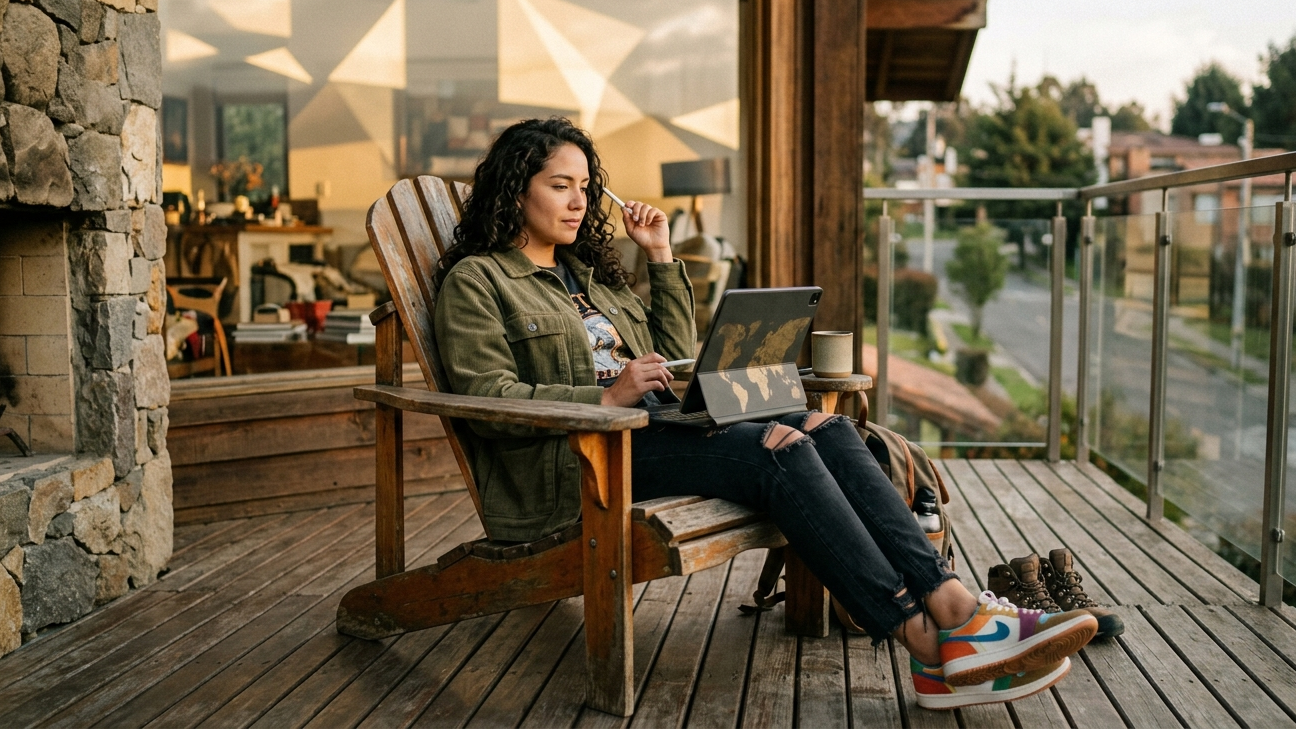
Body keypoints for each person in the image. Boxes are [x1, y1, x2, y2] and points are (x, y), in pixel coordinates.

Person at [432, 117, 1097, 710]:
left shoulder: (590, 277)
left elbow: (675, 352)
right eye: (559, 185)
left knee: (826, 426)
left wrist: (660, 255)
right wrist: (604, 399)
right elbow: (486, 398)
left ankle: (955, 607)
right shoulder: (478, 282)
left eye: (585, 185)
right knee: (778, 446)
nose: (579, 201)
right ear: (517, 190)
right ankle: (927, 643)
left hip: (658, 427)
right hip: (583, 460)